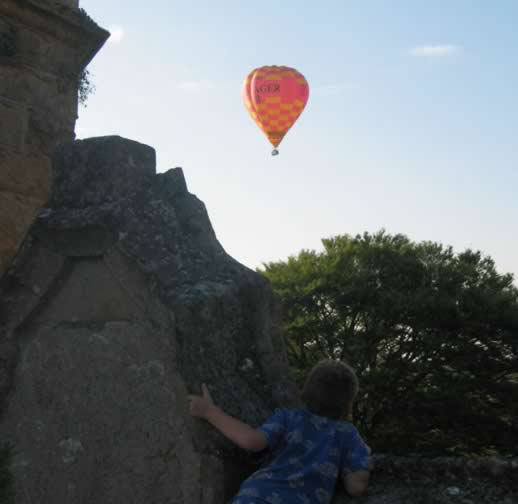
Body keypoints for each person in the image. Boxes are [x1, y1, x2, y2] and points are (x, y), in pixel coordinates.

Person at [188, 359, 371, 503]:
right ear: (346, 404)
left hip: (257, 495)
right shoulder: (348, 434)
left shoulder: (289, 418)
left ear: (307, 390)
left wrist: (210, 412)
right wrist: (363, 461)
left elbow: (252, 441)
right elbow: (356, 487)